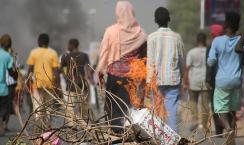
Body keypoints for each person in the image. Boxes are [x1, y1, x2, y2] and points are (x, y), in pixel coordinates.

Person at [96, 1, 147, 133]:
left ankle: (114, 134)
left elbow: (104, 54)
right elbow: (144, 59)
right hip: (132, 78)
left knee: (112, 106)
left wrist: (99, 72)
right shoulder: (141, 34)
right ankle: (127, 133)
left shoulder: (110, 31)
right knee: (128, 107)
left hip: (114, 77)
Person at [147, 7, 184, 132]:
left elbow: (150, 63)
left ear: (155, 20)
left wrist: (148, 82)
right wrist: (182, 77)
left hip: (156, 81)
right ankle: (172, 140)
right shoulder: (177, 37)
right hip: (173, 80)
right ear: (169, 19)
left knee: (157, 113)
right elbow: (181, 60)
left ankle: (157, 139)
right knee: (171, 113)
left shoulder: (151, 38)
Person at [207, 12, 241, 145]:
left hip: (222, 81)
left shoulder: (217, 41)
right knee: (232, 110)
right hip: (236, 80)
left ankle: (227, 129)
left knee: (220, 110)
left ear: (225, 24)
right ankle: (230, 136)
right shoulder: (241, 40)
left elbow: (211, 62)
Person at [27, 33, 60, 131]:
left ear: (39, 42)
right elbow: (56, 71)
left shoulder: (33, 52)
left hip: (37, 84)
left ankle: (39, 127)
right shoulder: (53, 53)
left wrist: (28, 83)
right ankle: (47, 127)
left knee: (38, 106)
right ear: (48, 42)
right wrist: (57, 86)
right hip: (50, 84)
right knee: (49, 107)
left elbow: (30, 69)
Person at [184, 32, 210, 131]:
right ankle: (203, 125)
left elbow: (187, 68)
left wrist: (185, 81)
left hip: (194, 79)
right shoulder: (209, 51)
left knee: (193, 101)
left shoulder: (192, 52)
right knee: (205, 103)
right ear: (205, 40)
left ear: (197, 40)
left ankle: (195, 120)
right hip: (205, 79)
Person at [61, 39, 91, 122]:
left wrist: (65, 77)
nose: (68, 47)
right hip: (82, 84)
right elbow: (88, 68)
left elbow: (60, 69)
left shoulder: (66, 56)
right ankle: (85, 124)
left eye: (68, 45)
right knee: (84, 106)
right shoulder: (84, 55)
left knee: (71, 107)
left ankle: (72, 125)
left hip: (71, 85)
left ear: (72, 45)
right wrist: (88, 78)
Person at [206, 24, 224, 135]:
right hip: (224, 77)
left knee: (215, 104)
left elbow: (208, 65)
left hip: (213, 80)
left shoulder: (211, 45)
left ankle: (218, 129)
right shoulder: (225, 43)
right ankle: (227, 125)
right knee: (224, 103)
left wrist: (207, 80)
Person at [0, 34, 18, 131]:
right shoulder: (7, 56)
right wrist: (16, 77)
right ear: (10, 44)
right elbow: (11, 71)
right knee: (4, 107)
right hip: (3, 88)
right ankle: (1, 125)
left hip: (4, 87)